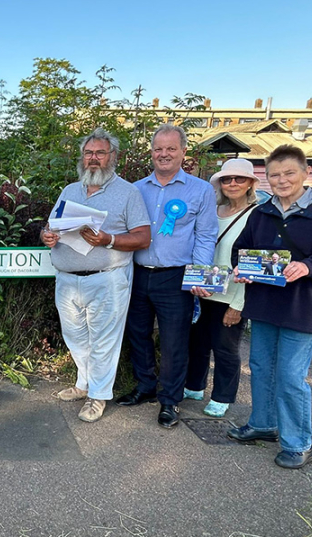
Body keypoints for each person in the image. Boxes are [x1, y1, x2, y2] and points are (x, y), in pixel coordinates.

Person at [228, 145, 312, 469]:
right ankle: (263, 423)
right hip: (265, 303)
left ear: (306, 172)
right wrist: (241, 268)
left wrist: (310, 266)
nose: (281, 180)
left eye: (289, 173)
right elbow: (242, 250)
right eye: (274, 174)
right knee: (259, 366)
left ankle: (299, 443)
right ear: (266, 177)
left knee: (289, 375)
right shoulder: (261, 211)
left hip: (305, 306)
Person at [41, 129, 150, 422]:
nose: (93, 159)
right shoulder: (70, 190)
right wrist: (47, 236)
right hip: (67, 278)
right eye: (89, 153)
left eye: (100, 153)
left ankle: (98, 397)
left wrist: (108, 240)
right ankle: (84, 383)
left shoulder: (128, 192)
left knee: (104, 340)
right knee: (75, 336)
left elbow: (143, 237)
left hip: (107, 277)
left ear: (113, 157)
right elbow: (50, 227)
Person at [116, 124, 219, 428]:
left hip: (176, 277)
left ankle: (170, 400)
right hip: (137, 272)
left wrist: (198, 277)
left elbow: (206, 235)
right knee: (138, 333)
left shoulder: (200, 190)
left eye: (171, 148)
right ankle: (146, 386)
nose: (164, 154)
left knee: (175, 342)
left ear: (183, 152)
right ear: (151, 152)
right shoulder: (135, 189)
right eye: (158, 148)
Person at [185, 158, 259, 418]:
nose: (233, 183)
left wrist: (238, 305)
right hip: (202, 290)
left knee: (225, 347)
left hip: (231, 295)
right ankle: (194, 385)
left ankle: (223, 396)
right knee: (197, 343)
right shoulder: (212, 210)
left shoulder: (257, 215)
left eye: (239, 179)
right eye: (227, 179)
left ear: (250, 183)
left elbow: (251, 265)